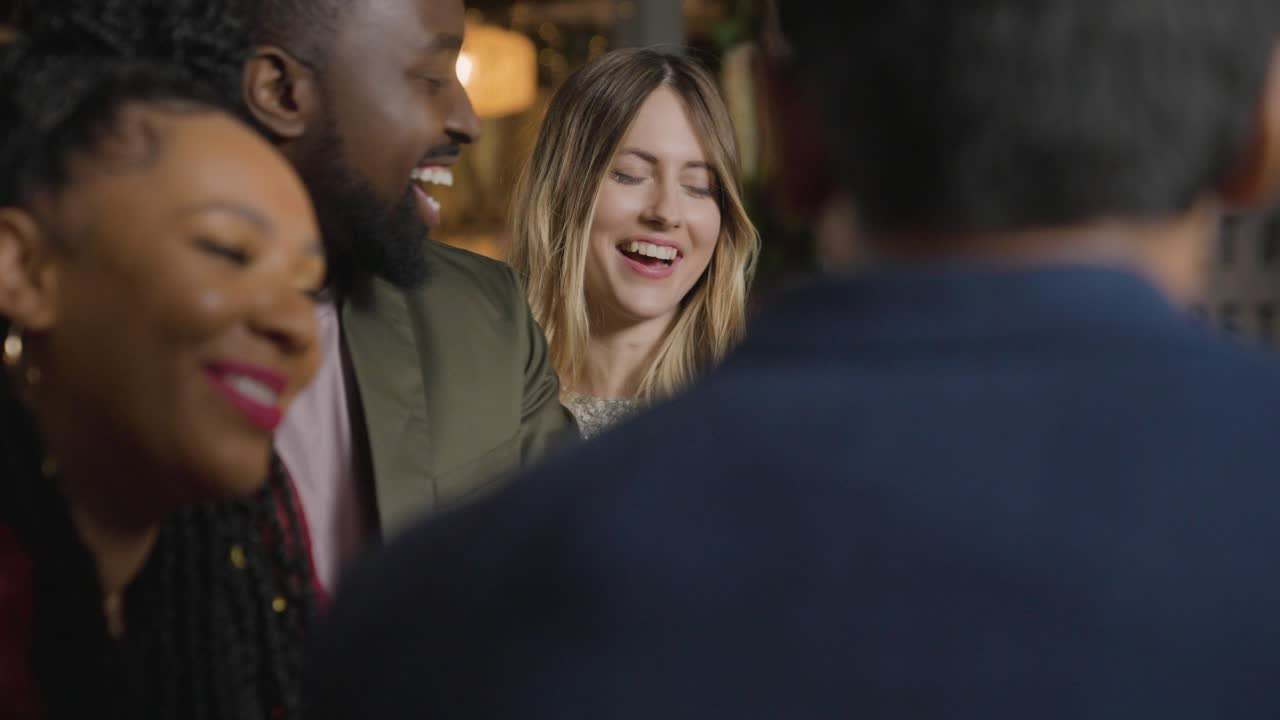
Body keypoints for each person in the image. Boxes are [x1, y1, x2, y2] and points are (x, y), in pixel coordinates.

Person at [304, 0, 1280, 717]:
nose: (663, 210)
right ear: (1257, 138)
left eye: (691, 180)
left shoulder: (442, 609)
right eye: (632, 174)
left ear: (786, 132)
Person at [0, 5, 326, 719]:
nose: (294, 326)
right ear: (22, 268)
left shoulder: (251, 582)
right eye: (227, 251)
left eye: (305, 287)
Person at [223, 0, 577, 592]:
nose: (469, 121)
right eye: (433, 79)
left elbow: (571, 575)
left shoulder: (489, 315)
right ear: (283, 92)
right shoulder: (116, 342)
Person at [507, 49, 759, 438]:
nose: (666, 212)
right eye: (630, 175)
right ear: (561, 191)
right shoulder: (479, 398)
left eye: (698, 187)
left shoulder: (752, 414)